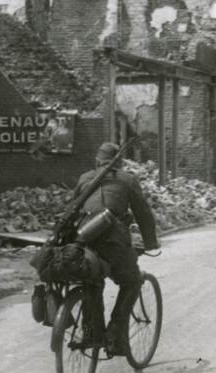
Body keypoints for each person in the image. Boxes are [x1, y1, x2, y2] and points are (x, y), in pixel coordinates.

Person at [73, 142, 159, 354]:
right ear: (118, 163)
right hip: (113, 242)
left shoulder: (84, 179)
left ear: (96, 160)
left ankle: (92, 333)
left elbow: (74, 208)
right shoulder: (127, 180)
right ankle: (115, 332)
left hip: (84, 241)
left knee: (92, 282)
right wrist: (150, 243)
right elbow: (143, 213)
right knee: (132, 280)